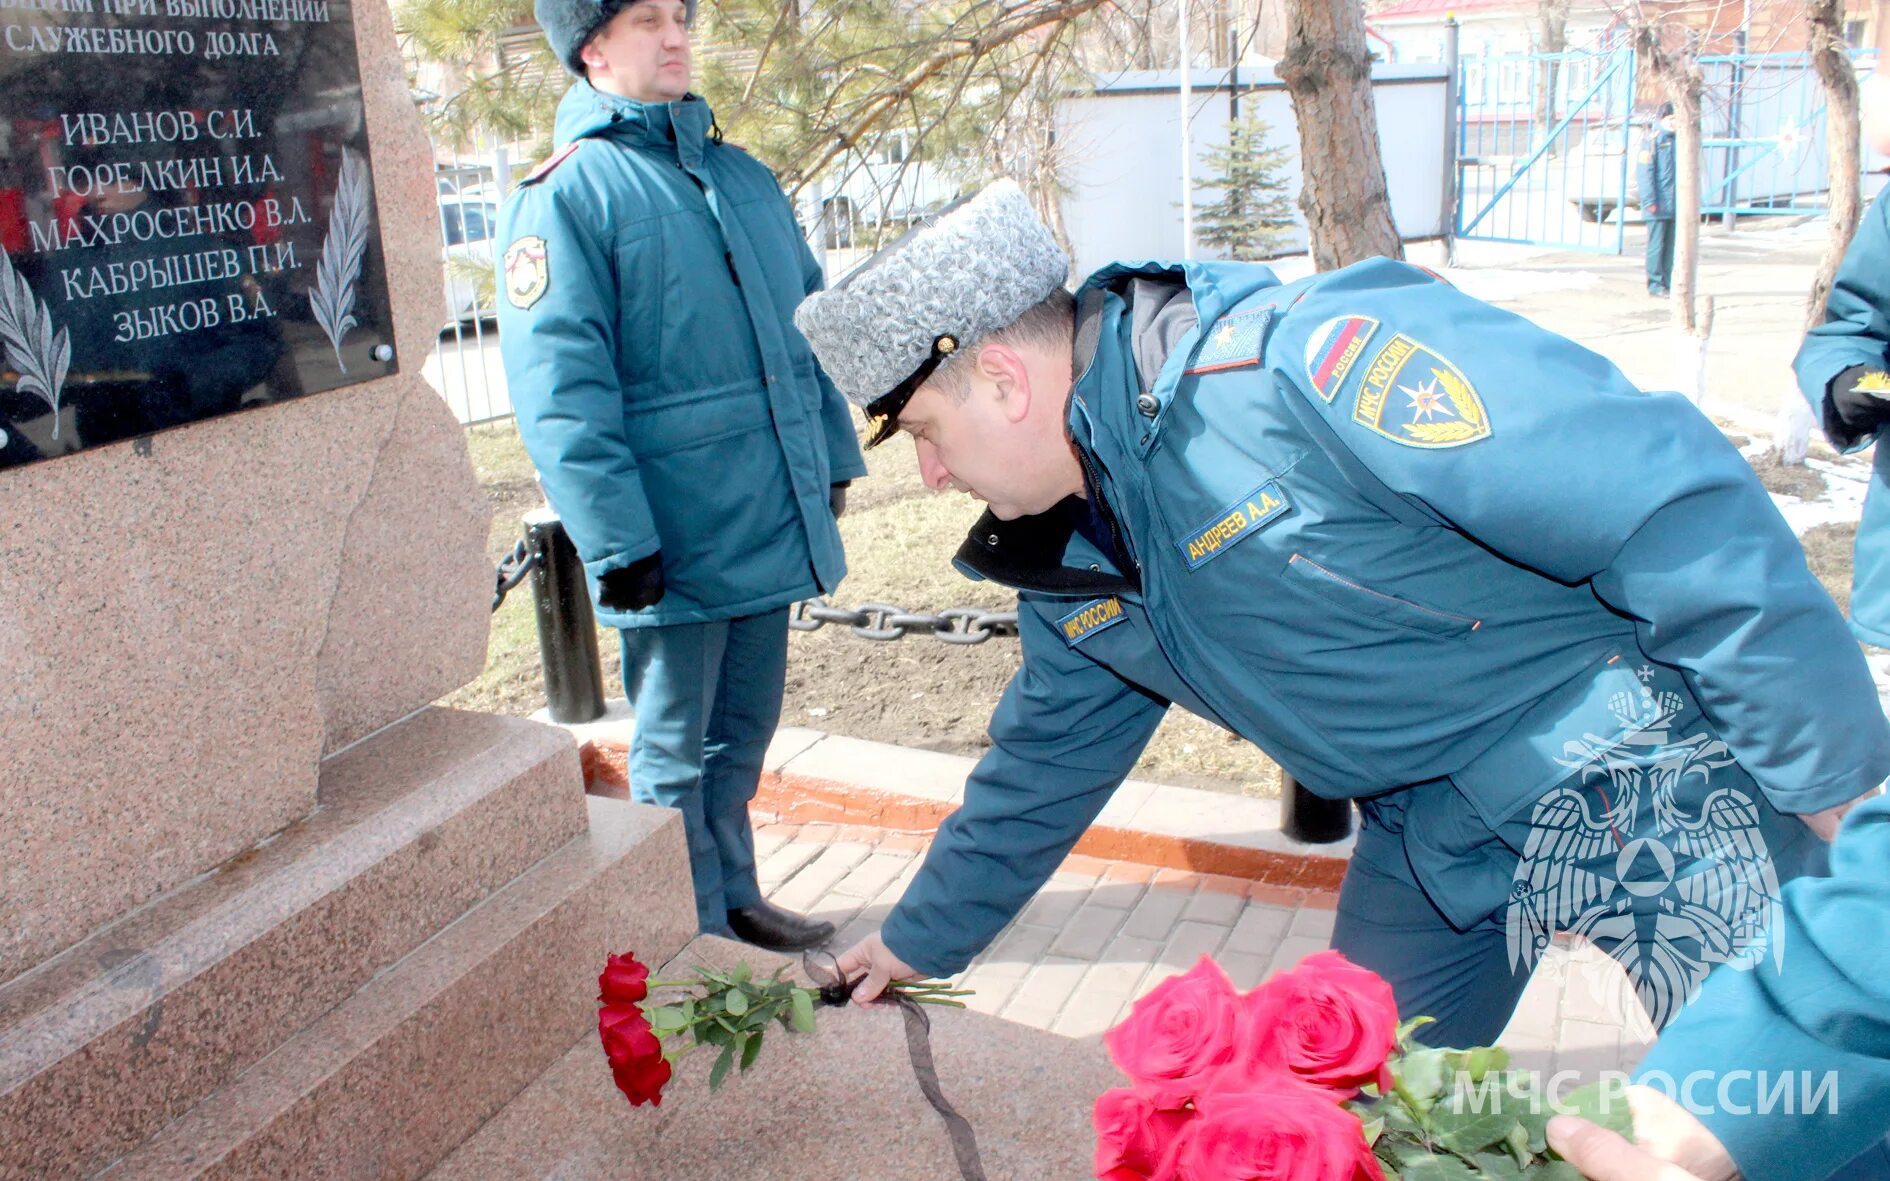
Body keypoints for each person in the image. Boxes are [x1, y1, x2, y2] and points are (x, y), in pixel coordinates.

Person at [793, 181, 1888, 1104]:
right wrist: (916, 941)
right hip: (1431, 831)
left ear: (1001, 375)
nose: (931, 476)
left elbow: (1664, 499)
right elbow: (1042, 765)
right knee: (1336, 1119)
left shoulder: (1297, 371)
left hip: (1649, 775)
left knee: (1796, 1108)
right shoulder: (1073, 554)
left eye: (927, 434)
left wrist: (1839, 777)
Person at [495, 0, 866, 950]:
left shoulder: (740, 176)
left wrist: (829, 458)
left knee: (740, 731)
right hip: (674, 531)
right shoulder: (568, 195)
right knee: (673, 753)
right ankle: (688, 929)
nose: (674, 38)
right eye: (647, 20)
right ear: (592, 48)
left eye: (680, 18)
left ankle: (733, 895)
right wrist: (618, 539)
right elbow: (560, 390)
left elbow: (810, 333)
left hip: (764, 509)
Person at [1638, 101, 1678, 297]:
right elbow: (1645, 173)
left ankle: (1667, 282)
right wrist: (1649, 201)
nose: (1674, 123)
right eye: (1671, 119)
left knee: (1670, 246)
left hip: (1675, 203)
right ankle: (1655, 284)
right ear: (1663, 119)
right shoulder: (1652, 140)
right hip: (1657, 203)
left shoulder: (1679, 140)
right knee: (1656, 245)